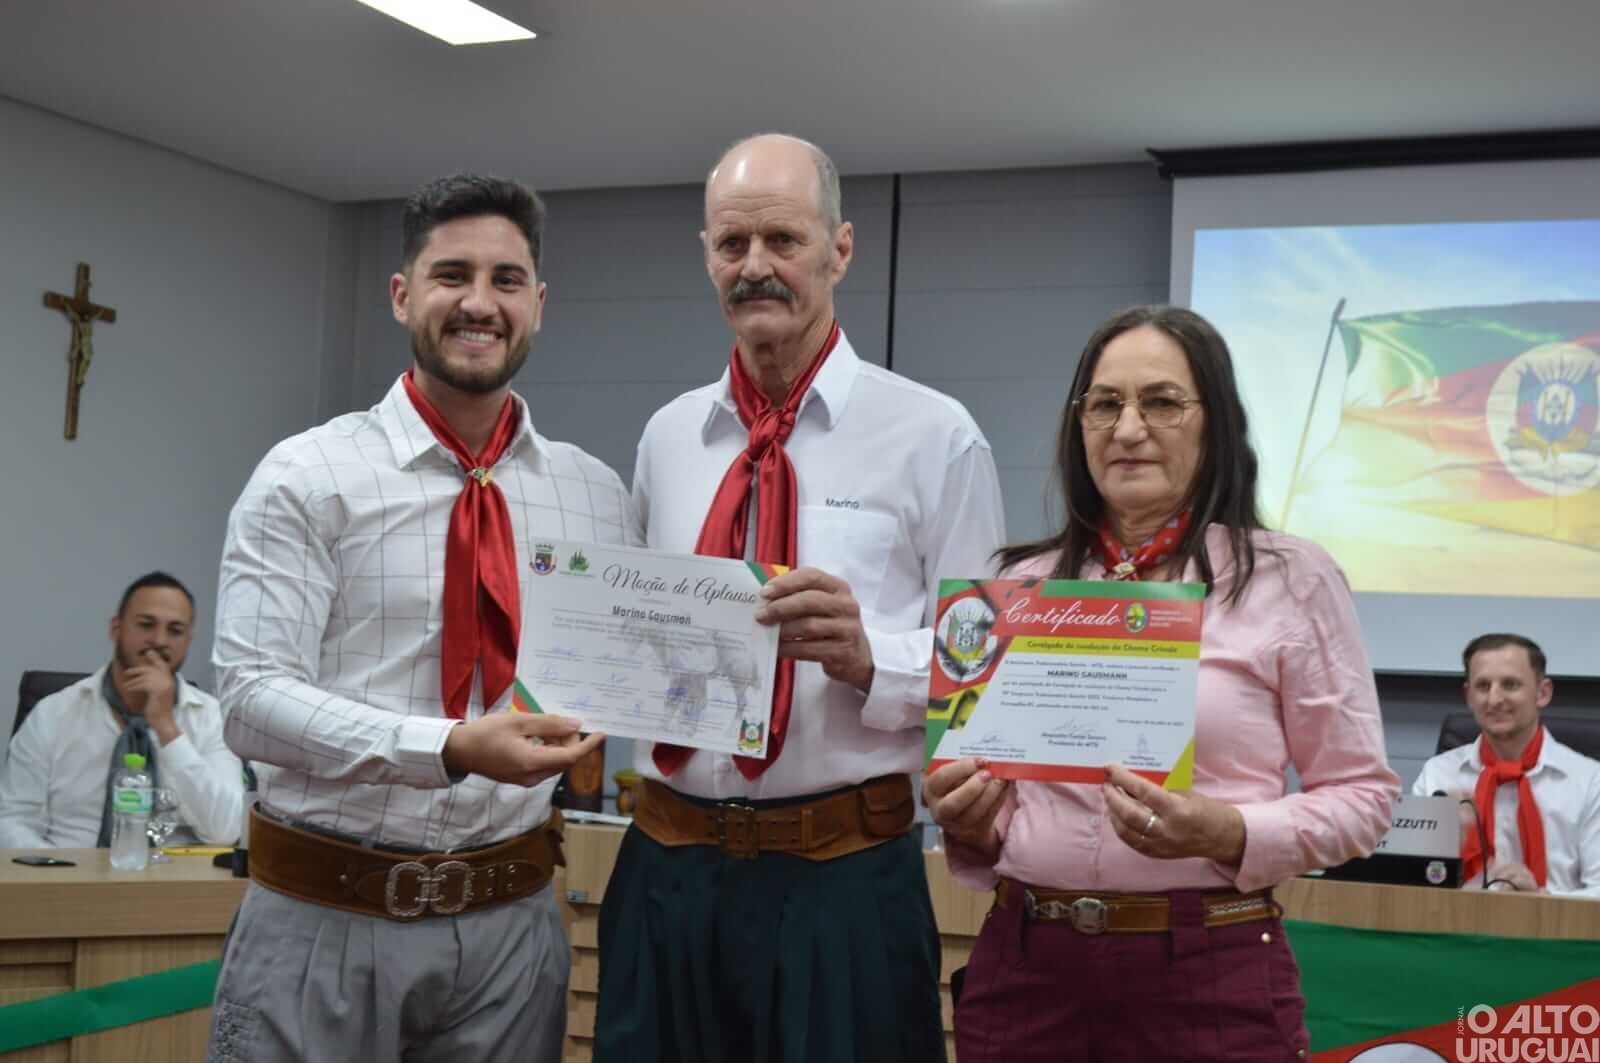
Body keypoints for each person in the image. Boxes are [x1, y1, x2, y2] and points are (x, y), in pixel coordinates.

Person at [593, 133, 1005, 1063]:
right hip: (666, 869)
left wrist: (871, 658)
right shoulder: (668, 437)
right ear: (707, 255)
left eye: (783, 239)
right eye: (732, 244)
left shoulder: (936, 436)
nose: (756, 266)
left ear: (840, 249)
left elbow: (987, 674)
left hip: (842, 883)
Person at [207, 174, 626, 1063]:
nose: (480, 303)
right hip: (325, 916)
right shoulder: (307, 476)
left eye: (506, 280)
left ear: (539, 305)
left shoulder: (595, 495)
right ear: (403, 295)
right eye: (452, 275)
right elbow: (248, 700)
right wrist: (448, 746)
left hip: (513, 928)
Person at [924, 305, 1399, 1063]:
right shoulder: (1016, 587)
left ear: (1216, 424)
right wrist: (970, 820)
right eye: (1105, 403)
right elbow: (993, 808)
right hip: (1027, 969)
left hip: (1209, 971)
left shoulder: (1290, 578)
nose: (1128, 428)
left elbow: (1364, 798)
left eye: (1162, 401)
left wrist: (1230, 832)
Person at [0, 571, 243, 849]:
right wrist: (60, 871)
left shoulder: (212, 718)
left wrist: (167, 729)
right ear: (116, 629)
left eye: (175, 630)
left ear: (188, 641)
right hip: (68, 867)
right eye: (146, 625)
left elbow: (227, 831)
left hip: (173, 875)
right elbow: (12, 821)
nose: (159, 640)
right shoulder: (52, 715)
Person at [1412, 633, 1600, 897]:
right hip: (1454, 919)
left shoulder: (1590, 781)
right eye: (1483, 686)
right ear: (1468, 696)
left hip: (1553, 922)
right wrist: (1444, 840)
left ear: (1542, 693)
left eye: (1510, 685)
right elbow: (1406, 885)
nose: (1494, 699)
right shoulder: (1438, 775)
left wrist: (1541, 903)